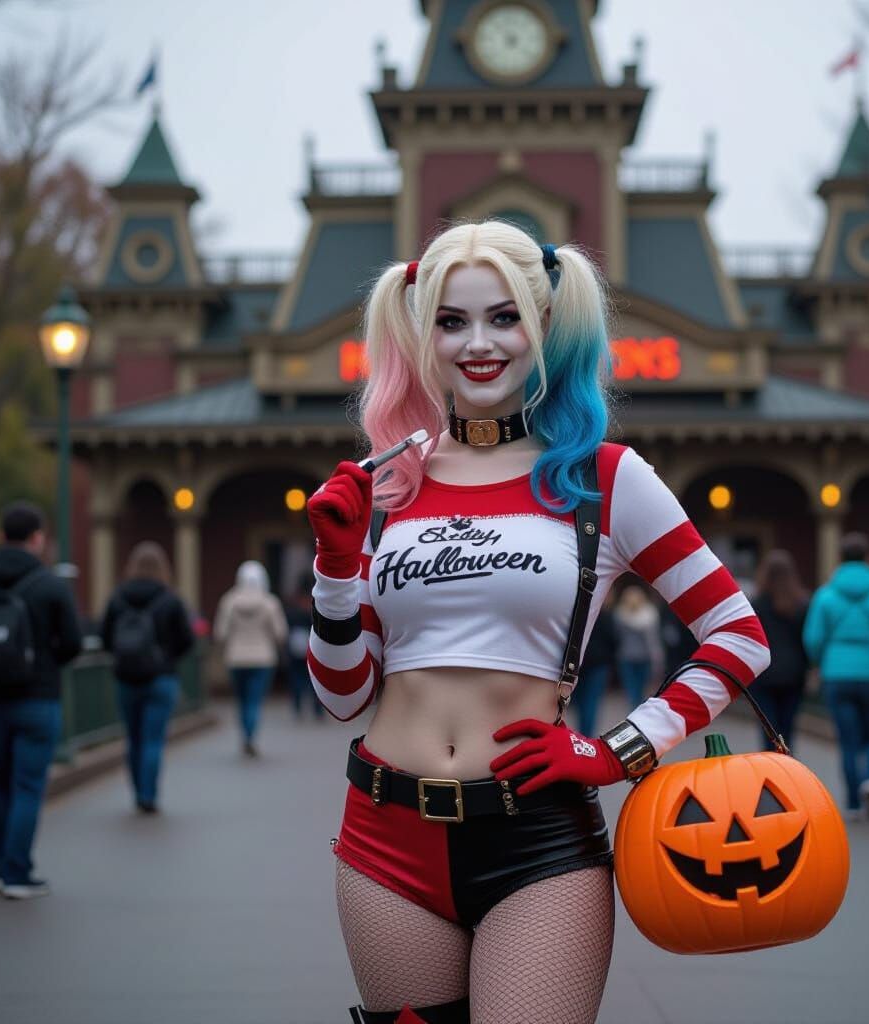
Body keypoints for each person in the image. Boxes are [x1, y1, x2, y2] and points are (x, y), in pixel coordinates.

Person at [305, 221, 770, 1024]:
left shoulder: (605, 478)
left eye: (504, 317)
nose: (477, 343)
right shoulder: (391, 487)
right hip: (383, 838)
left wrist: (618, 750)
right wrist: (336, 570)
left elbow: (738, 633)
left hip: (539, 847)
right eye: (451, 321)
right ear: (422, 334)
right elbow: (343, 698)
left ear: (545, 327)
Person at [0, 502, 82, 899]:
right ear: (38, 538)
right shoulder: (49, 585)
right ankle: (16, 873)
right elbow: (73, 644)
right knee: (27, 787)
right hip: (37, 697)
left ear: (1, 537)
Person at [804, 533, 869, 821]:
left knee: (847, 741)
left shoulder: (826, 595)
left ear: (841, 559)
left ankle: (852, 801)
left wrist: (820, 662)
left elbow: (813, 638)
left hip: (837, 674)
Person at [100, 542, 194, 813]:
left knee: (134, 738)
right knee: (153, 739)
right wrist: (167, 658)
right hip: (160, 678)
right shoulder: (170, 599)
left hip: (126, 677)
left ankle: (137, 791)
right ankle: (148, 795)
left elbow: (106, 637)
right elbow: (186, 640)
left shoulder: (117, 597)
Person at [213, 560, 287, 757]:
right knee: (254, 700)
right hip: (263, 659)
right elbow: (280, 633)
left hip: (235, 658)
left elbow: (220, 633)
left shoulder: (229, 601)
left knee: (242, 700)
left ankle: (245, 734)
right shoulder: (270, 602)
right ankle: (250, 736)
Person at [751, 550, 810, 751]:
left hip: (764, 674)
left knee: (768, 730)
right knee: (788, 728)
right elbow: (807, 640)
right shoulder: (801, 604)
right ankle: (787, 769)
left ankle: (769, 770)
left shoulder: (756, 604)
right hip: (794, 673)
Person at [571, 591, 617, 737]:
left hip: (577, 664)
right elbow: (614, 639)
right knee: (590, 702)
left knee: (579, 703)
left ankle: (581, 733)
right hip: (598, 664)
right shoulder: (604, 615)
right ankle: (586, 735)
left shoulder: (574, 615)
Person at [613, 582, 664, 710]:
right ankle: (637, 713)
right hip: (631, 657)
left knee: (638, 690)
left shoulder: (648, 615)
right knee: (635, 690)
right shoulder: (621, 615)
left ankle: (637, 713)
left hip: (638, 657)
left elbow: (653, 640)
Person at [286, 573, 324, 721]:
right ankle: (317, 709)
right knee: (314, 680)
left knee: (297, 678)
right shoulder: (315, 605)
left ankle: (298, 707)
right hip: (313, 646)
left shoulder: (293, 608)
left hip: (296, 645)